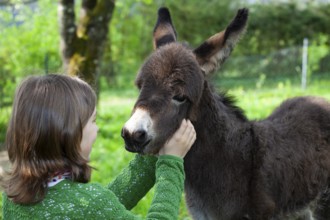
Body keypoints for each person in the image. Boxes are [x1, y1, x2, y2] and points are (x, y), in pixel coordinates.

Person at [1, 74, 196, 219]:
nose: (97, 129)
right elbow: (97, 207)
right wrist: (171, 162)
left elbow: (102, 209)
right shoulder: (91, 204)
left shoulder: (14, 198)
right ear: (70, 135)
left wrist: (150, 156)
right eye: (93, 121)